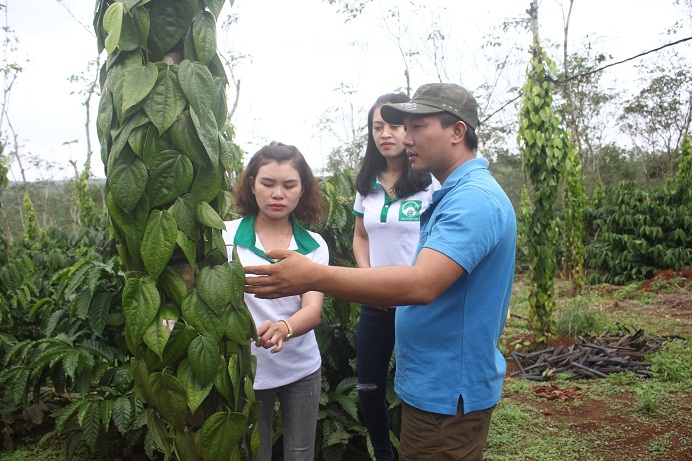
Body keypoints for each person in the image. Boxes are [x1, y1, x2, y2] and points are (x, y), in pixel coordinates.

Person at [244, 83, 517, 461]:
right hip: (434, 384)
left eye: (417, 127)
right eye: (403, 127)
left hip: (446, 387)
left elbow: (421, 283)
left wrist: (313, 275)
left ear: (457, 131)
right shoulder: (451, 193)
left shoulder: (472, 201)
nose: (406, 138)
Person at [222, 141, 328, 461]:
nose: (278, 193)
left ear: (302, 189)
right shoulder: (224, 238)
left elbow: (312, 310)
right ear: (251, 184)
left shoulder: (313, 246)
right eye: (268, 183)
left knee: (300, 453)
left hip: (301, 367)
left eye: (289, 185)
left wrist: (284, 327)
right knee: (255, 453)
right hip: (246, 369)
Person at [353, 92, 438, 461]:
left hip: (418, 304)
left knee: (416, 385)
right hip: (376, 302)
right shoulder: (367, 182)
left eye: (394, 125)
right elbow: (360, 235)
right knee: (368, 387)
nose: (385, 133)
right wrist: (367, 280)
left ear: (409, 130)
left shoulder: (431, 183)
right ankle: (385, 454)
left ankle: (419, 449)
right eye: (377, 126)